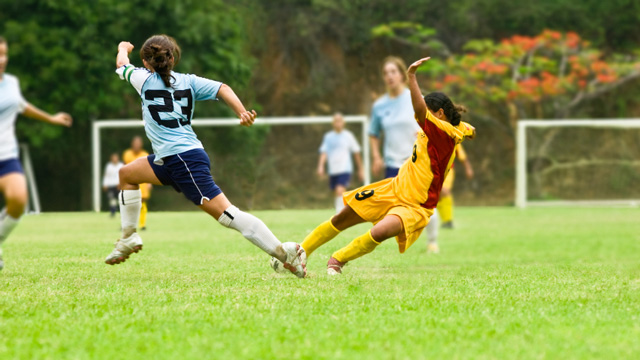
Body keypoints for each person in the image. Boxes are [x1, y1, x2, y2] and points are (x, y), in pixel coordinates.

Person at [105, 35, 306, 278]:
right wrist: (242, 112)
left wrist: (123, 48)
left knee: (227, 214)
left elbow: (121, 64)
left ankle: (285, 254)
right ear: (173, 59)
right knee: (127, 174)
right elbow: (224, 88)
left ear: (147, 63)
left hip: (182, 159)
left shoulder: (143, 79)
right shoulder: (188, 81)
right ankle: (128, 237)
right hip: (172, 158)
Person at [277, 57, 476, 275]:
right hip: (393, 187)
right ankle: (300, 254)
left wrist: (411, 76)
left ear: (439, 114)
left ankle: (338, 259)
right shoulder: (448, 127)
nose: (420, 117)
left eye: (428, 112)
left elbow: (421, 112)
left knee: (380, 231)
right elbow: (468, 128)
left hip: (415, 206)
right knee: (341, 218)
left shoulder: (443, 133)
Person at [0, 36, 73, 270]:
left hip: (7, 155)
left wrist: (51, 118)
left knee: (18, 200)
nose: (2, 59)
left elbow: (21, 106)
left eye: (4, 54)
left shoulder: (12, 82)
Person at [369, 56, 421, 179]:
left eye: (393, 72)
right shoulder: (379, 106)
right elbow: (373, 133)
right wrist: (376, 157)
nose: (389, 76)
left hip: (416, 162)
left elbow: (432, 123)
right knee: (395, 198)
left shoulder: (416, 98)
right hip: (392, 165)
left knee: (417, 198)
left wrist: (425, 131)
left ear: (402, 75)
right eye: (386, 73)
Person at [317, 113, 364, 213]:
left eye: (340, 121)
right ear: (333, 123)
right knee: (337, 192)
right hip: (333, 170)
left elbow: (356, 152)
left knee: (340, 190)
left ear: (343, 123)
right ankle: (342, 211)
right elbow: (324, 152)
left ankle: (339, 213)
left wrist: (360, 169)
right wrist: (321, 166)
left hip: (345, 169)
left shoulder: (348, 136)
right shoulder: (328, 137)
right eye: (336, 121)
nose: (338, 123)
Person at [437, 144, 474, 229]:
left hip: (448, 170)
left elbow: (462, 156)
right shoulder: (430, 135)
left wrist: (468, 169)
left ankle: (448, 221)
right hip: (431, 169)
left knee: (444, 190)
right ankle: (444, 220)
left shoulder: (454, 136)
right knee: (437, 194)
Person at [123, 136, 151, 229]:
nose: (137, 145)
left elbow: (149, 169)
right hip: (130, 181)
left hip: (142, 182)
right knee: (128, 203)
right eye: (135, 143)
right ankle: (127, 224)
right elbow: (124, 168)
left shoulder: (145, 154)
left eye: (138, 143)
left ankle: (142, 224)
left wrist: (150, 182)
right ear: (132, 144)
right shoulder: (127, 154)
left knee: (142, 202)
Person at [103, 153, 123, 217]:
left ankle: (121, 211)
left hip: (118, 185)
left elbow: (123, 175)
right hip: (111, 185)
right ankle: (113, 211)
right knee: (111, 198)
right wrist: (105, 184)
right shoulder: (109, 166)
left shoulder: (121, 165)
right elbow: (106, 175)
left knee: (120, 198)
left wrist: (121, 183)